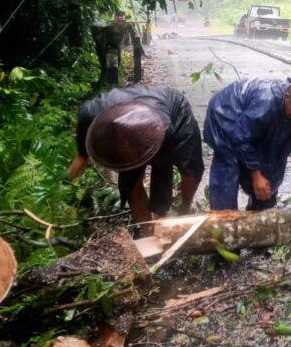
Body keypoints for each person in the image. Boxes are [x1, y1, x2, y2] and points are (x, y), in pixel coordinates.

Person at [68, 85, 203, 236]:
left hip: (174, 110)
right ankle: (148, 232)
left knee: (190, 169)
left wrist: (160, 216)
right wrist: (82, 155)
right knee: (130, 184)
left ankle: (184, 210)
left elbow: (162, 175)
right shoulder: (91, 111)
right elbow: (83, 117)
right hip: (131, 122)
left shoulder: (165, 130)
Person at [204, 79, 291, 211]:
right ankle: (223, 214)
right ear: (287, 97)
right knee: (229, 163)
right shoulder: (266, 102)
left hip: (250, 120)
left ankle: (260, 211)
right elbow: (240, 137)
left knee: (271, 163)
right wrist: (256, 175)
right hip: (225, 114)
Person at [90, 11, 144, 89]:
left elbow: (134, 34)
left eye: (122, 16)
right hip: (105, 46)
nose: (121, 17)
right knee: (104, 64)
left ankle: (110, 83)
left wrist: (136, 40)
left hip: (116, 46)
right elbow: (100, 28)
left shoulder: (127, 24)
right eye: (119, 16)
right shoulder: (111, 23)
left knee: (115, 62)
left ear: (124, 17)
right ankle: (104, 81)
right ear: (116, 17)